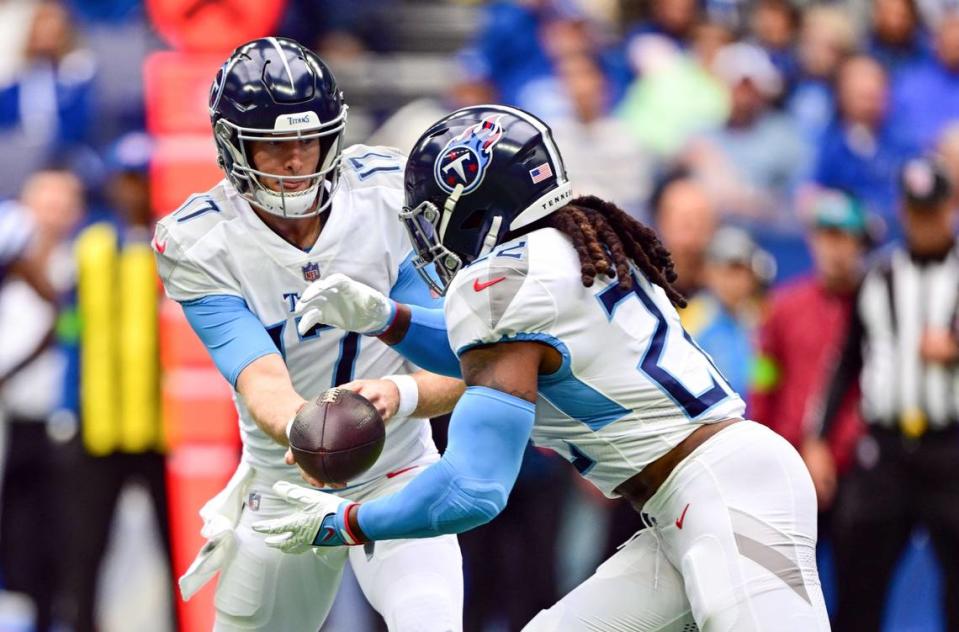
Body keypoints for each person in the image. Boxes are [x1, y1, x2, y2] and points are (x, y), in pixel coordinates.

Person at [254, 104, 830, 631]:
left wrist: (348, 522)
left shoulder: (502, 285)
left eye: (431, 218)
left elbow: (474, 489)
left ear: (474, 203)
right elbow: (489, 356)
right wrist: (387, 317)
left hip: (724, 491)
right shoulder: (564, 252)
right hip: (689, 500)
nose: (427, 240)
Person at [152, 38, 465, 632]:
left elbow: (451, 358)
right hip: (285, 484)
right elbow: (260, 377)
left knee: (430, 621)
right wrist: (315, 434)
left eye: (308, 138)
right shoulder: (202, 242)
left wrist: (395, 397)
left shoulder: (387, 194)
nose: (297, 159)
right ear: (232, 146)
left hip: (399, 468)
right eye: (272, 145)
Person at [814, 157, 959, 632]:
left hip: (950, 449)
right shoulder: (877, 278)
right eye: (916, 213)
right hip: (886, 451)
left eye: (932, 212)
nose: (924, 223)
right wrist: (817, 439)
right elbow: (846, 363)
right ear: (902, 211)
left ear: (949, 209)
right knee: (859, 589)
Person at [750, 189, 869, 510]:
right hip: (787, 461)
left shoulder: (873, 306)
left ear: (859, 244)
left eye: (844, 238)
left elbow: (870, 389)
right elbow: (765, 375)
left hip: (854, 465)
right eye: (827, 237)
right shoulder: (783, 308)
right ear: (813, 240)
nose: (835, 249)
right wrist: (764, 442)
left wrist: (834, 450)